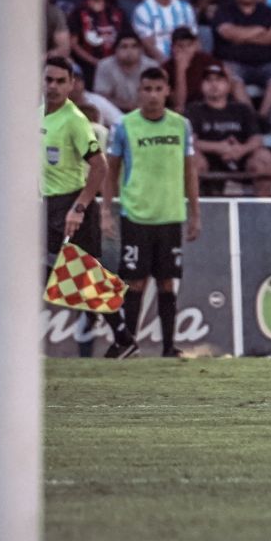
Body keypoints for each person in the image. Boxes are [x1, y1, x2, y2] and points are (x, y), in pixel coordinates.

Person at [40, 56, 135, 357]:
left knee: (71, 273)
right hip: (47, 204)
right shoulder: (36, 115)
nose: (53, 86)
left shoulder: (75, 121)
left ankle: (121, 334)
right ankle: (122, 335)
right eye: (48, 80)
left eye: (60, 81)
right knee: (77, 274)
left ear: (71, 85)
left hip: (72, 203)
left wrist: (79, 208)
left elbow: (99, 167)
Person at [106, 67, 199, 357]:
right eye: (147, 89)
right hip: (136, 215)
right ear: (139, 92)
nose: (153, 96)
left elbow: (189, 169)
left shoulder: (181, 125)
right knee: (135, 280)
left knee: (167, 281)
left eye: (159, 89)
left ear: (168, 91)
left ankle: (169, 346)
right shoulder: (124, 126)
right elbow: (110, 171)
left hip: (170, 214)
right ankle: (129, 345)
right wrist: (105, 211)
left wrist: (195, 213)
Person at [186, 63, 271, 197]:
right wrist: (219, 147)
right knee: (191, 158)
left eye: (219, 80)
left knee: (264, 157)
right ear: (201, 85)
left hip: (240, 158)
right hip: (207, 159)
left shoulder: (242, 109)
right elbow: (189, 142)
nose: (214, 84)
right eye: (209, 80)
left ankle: (264, 210)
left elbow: (257, 139)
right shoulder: (194, 109)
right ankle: (195, 212)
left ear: (228, 85)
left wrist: (241, 150)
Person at [213, 0, 271, 127]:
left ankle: (263, 116)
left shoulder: (268, 11)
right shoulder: (224, 10)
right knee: (232, 78)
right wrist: (259, 30)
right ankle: (251, 118)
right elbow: (228, 33)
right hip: (233, 63)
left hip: (265, 64)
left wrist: (241, 36)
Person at [131, 0, 198, 65]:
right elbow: (148, 46)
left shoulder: (186, 8)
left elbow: (195, 41)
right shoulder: (142, 10)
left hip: (187, 61)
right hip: (156, 64)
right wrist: (169, 65)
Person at [68, 0, 125, 87]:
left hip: (117, 65)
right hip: (87, 66)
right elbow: (73, 44)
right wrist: (96, 62)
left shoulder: (118, 12)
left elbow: (126, 39)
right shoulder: (77, 13)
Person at [93, 30, 159, 112]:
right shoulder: (105, 66)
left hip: (146, 110)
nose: (129, 51)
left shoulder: (151, 66)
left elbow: (157, 94)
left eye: (134, 46)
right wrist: (128, 106)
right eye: (124, 47)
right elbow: (101, 98)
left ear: (141, 50)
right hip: (114, 111)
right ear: (115, 50)